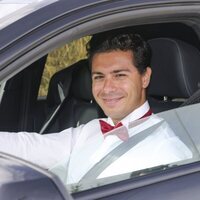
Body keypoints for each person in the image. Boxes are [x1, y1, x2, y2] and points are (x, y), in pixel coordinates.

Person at [0, 32, 192, 185]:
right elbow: (29, 147)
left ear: (144, 77)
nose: (107, 88)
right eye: (99, 77)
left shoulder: (168, 153)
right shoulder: (92, 128)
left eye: (119, 75)